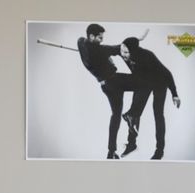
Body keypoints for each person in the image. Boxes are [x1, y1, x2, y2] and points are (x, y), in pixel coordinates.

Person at [77, 23, 146, 159]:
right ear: (91, 36)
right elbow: (118, 48)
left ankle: (111, 152)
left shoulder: (82, 43)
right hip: (115, 81)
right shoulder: (99, 50)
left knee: (115, 116)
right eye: (99, 38)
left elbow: (80, 40)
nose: (102, 40)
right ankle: (132, 115)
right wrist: (135, 41)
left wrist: (86, 47)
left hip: (106, 85)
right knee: (144, 84)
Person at [119, 36, 181, 160]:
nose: (123, 55)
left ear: (134, 52)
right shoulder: (123, 50)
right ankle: (131, 144)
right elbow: (106, 49)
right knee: (134, 113)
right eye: (121, 51)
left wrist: (174, 94)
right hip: (144, 81)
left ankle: (159, 150)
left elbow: (167, 73)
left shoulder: (148, 56)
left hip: (159, 81)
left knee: (158, 114)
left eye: (125, 52)